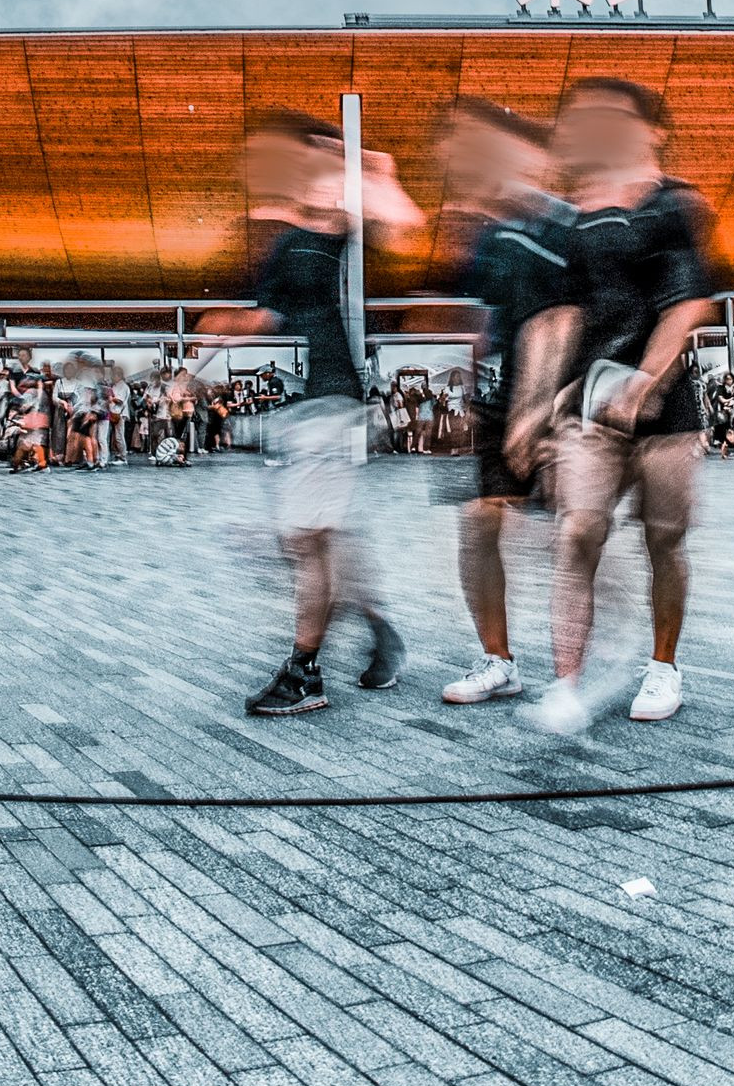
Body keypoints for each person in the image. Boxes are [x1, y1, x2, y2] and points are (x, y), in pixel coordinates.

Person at [518, 78, 720, 736]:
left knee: (665, 539)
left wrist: (646, 380)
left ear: (648, 130)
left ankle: (664, 665)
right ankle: (567, 682)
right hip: (588, 403)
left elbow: (688, 302)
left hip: (666, 406)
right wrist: (534, 406)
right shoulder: (568, 220)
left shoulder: (672, 205)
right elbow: (558, 318)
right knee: (578, 531)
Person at [215, 112, 421, 717]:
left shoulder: (342, 227)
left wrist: (374, 171)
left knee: (307, 540)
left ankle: (305, 670)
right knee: (315, 538)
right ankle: (373, 623)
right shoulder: (286, 242)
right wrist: (215, 339)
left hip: (331, 402)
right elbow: (268, 317)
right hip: (301, 408)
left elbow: (405, 228)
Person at [432, 97, 574, 707]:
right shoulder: (483, 233)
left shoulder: (559, 225)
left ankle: (584, 668)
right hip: (492, 400)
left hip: (557, 400)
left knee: (577, 532)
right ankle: (498, 660)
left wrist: (537, 408)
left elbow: (563, 318)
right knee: (478, 525)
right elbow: (483, 315)